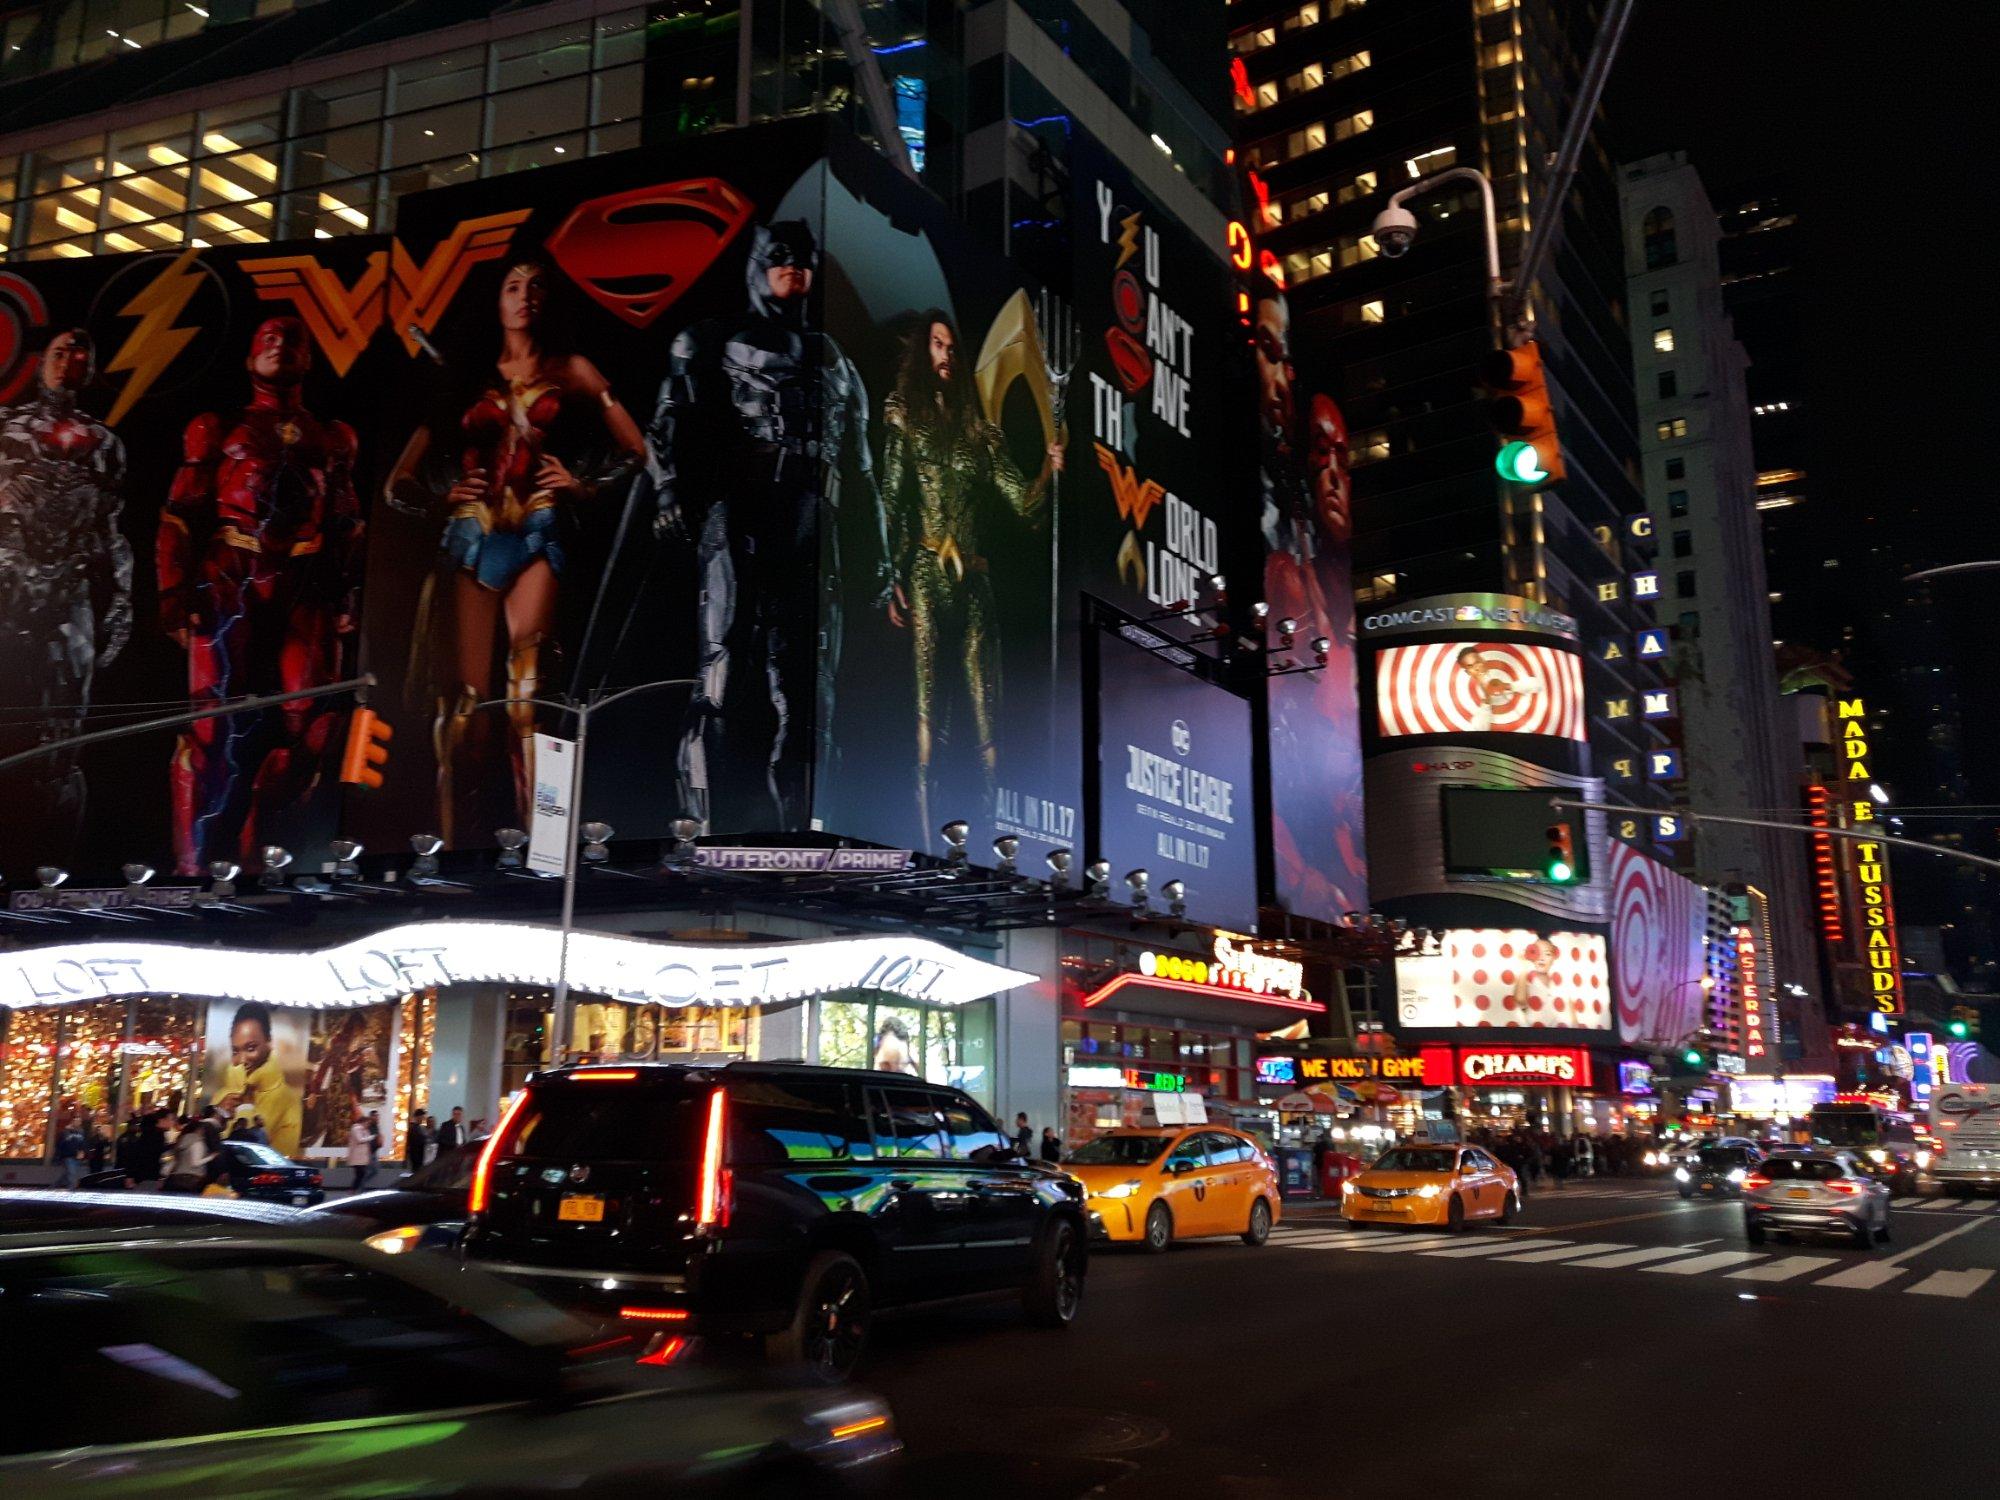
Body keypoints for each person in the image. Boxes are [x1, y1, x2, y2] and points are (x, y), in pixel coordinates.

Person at [638, 219, 885, 831]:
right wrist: (668, 489)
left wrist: (881, 556)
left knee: (805, 691)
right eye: (779, 257)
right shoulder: (714, 339)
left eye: (802, 259)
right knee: (722, 670)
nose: (792, 268)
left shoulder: (837, 361)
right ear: (757, 263)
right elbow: (665, 425)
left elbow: (862, 467)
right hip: (742, 519)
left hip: (808, 530)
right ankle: (702, 822)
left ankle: (798, 827)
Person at [388, 260, 644, 845]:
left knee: (531, 697)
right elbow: (398, 480)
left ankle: (547, 852)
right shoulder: (464, 379)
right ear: (496, 302)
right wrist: (440, 493)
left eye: (536, 287)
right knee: (463, 715)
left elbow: (636, 450)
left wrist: (584, 485)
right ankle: (453, 854)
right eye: (512, 286)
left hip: (537, 529)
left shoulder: (571, 369)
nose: (525, 296)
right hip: (473, 538)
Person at [156, 315, 363, 876]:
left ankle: (254, 852)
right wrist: (173, 591)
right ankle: (193, 867)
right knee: (210, 727)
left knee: (310, 726)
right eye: (266, 336)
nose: (279, 342)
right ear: (249, 358)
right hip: (231, 577)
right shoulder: (216, 428)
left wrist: (347, 595)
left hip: (304, 584)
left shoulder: (334, 437)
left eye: (293, 338)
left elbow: (346, 523)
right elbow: (178, 514)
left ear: (308, 360)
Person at [879, 311, 1061, 842]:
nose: (947, 354)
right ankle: (920, 835)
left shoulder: (980, 431)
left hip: (975, 579)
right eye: (937, 345)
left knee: (987, 710)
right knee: (926, 704)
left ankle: (990, 840)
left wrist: (1049, 467)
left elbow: (1023, 505)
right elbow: (891, 495)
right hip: (924, 570)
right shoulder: (904, 415)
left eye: (952, 347)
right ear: (922, 352)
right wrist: (888, 572)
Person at [0, 328, 133, 862]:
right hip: (9, 578)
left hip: (68, 585)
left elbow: (110, 526)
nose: (68, 362)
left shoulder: (105, 444)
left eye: (81, 355)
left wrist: (121, 596)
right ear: (41, 363)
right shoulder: (8, 427)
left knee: (61, 728)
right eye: (59, 353)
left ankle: (41, 860)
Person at [216, 1000, 303, 1157]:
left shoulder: (288, 1101)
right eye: (235, 1051)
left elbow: (260, 1158)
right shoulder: (222, 1096)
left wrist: (245, 1109)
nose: (242, 1060)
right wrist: (217, 1115)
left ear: (269, 1042)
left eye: (251, 1048)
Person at [52, 1110, 86, 1190]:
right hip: (67, 1156)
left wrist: (82, 1152)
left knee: (68, 1173)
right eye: (77, 1121)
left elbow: (82, 1143)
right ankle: (71, 1189)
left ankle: (56, 1185)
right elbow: (59, 1144)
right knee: (72, 1173)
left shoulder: (81, 1132)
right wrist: (58, 1155)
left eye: (80, 1121)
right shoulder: (65, 1132)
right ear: (73, 1121)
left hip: (76, 1156)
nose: (79, 1123)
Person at [345, 1108, 374, 1192]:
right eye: (368, 1123)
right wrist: (370, 1137)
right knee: (360, 1174)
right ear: (363, 1122)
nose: (368, 1125)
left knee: (360, 1174)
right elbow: (360, 1139)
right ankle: (353, 1189)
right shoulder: (356, 1129)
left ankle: (355, 1189)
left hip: (361, 1157)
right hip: (357, 1157)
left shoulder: (364, 1130)